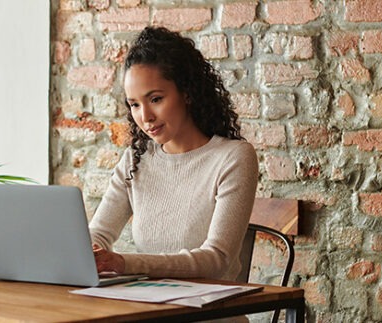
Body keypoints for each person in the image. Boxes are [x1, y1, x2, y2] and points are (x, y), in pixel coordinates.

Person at [89, 26, 258, 282]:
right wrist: (86, 252)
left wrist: (124, 263)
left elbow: (217, 259)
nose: (145, 117)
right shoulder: (137, 158)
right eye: (134, 104)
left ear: (187, 92)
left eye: (155, 99)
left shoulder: (234, 157)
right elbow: (98, 234)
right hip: (150, 308)